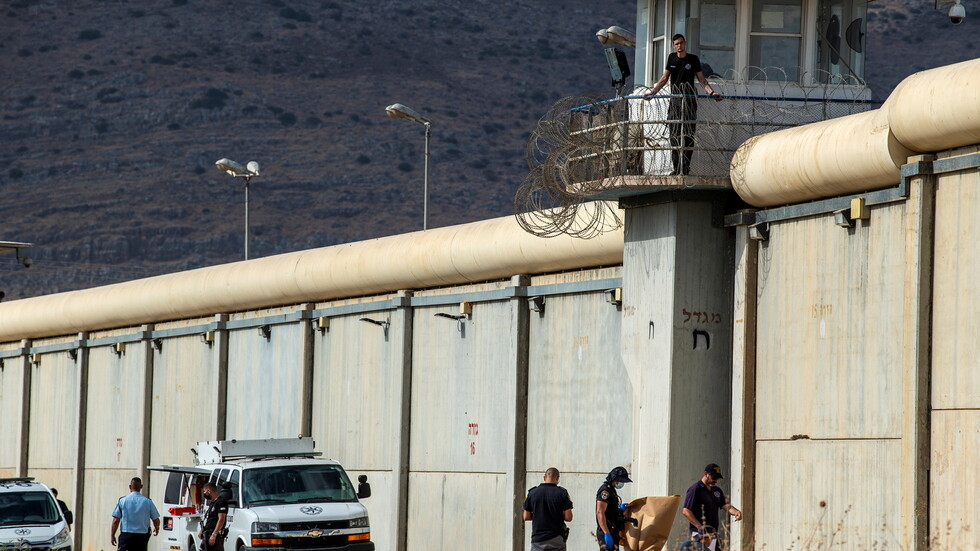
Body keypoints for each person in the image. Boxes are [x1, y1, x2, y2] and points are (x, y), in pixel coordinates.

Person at [644, 34, 723, 176]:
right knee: (674, 134)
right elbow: (664, 78)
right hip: (675, 101)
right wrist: (653, 92)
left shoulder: (693, 59)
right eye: (676, 44)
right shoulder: (671, 58)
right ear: (674, 46)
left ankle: (685, 168)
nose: (679, 46)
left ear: (685, 43)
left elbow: (702, 80)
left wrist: (712, 93)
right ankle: (677, 167)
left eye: (681, 43)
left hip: (689, 101)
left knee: (688, 134)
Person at [682, 464, 742, 551]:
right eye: (714, 478)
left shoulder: (717, 490)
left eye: (717, 478)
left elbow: (725, 505)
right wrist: (700, 527)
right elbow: (686, 511)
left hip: (713, 534)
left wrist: (736, 512)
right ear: (706, 474)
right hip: (700, 535)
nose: (716, 480)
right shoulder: (695, 489)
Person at [523, 467, 574, 551]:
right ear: (557, 478)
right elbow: (568, 518)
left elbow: (526, 516)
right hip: (557, 538)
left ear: (544, 477)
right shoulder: (562, 493)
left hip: (538, 539)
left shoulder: (532, 493)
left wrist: (538, 515)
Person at [110, 477, 160, 551]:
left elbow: (116, 520)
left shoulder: (123, 501)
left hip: (126, 535)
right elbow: (156, 519)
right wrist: (156, 528)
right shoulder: (147, 502)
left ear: (130, 487)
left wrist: (112, 535)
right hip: (142, 537)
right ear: (141, 487)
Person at [595, 466, 631, 550]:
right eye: (621, 481)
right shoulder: (605, 491)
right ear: (614, 479)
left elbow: (609, 510)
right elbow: (600, 512)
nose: (621, 483)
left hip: (613, 530)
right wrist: (606, 533)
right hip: (606, 531)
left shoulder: (611, 489)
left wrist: (619, 510)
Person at [199, 482, 229, 551]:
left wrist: (214, 534)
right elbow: (210, 519)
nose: (204, 493)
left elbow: (221, 519)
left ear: (209, 491)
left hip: (215, 535)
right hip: (208, 534)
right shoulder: (212, 503)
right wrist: (202, 530)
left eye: (204, 491)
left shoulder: (221, 502)